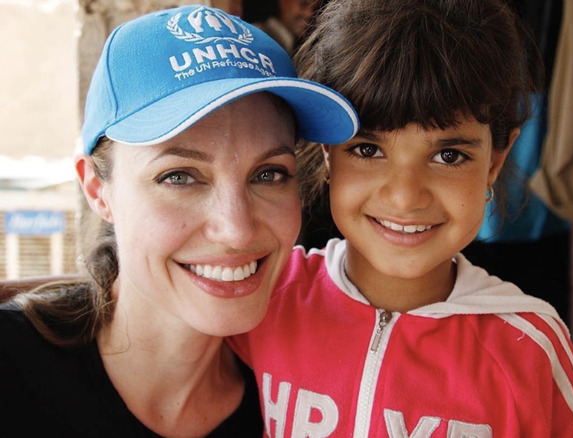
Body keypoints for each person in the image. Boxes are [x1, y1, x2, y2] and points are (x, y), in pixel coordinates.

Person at [229, 0, 573, 436]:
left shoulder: (529, 347)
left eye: (449, 155)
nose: (405, 197)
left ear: (495, 162)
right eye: (368, 150)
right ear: (328, 152)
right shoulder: (264, 298)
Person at [0, 5, 357, 437]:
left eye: (269, 174)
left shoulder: (304, 406)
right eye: (179, 177)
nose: (237, 228)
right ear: (97, 189)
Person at [252, 0, 319, 53]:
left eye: (314, 8)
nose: (309, 14)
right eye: (304, 4)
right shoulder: (256, 36)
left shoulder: (288, 43)